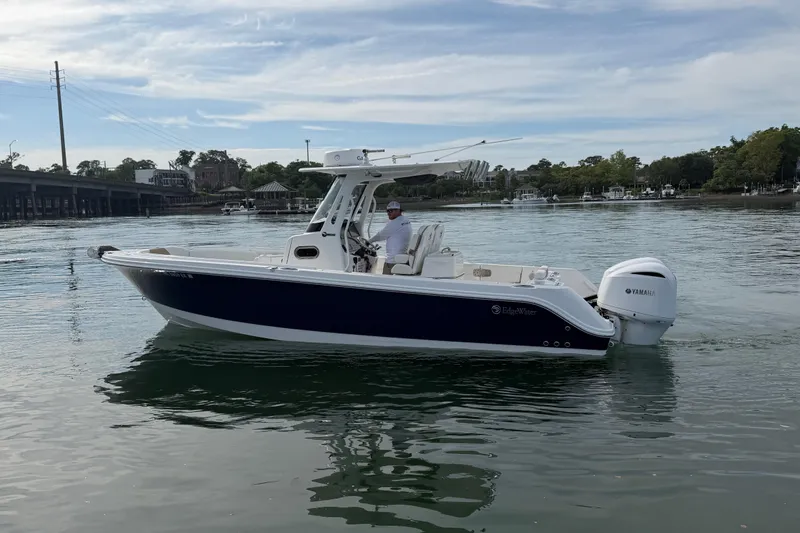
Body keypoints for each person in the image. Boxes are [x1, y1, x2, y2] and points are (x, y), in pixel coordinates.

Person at [369, 201, 412, 274]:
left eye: (391, 211)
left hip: (392, 262)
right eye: (387, 211)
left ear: (398, 211)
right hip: (402, 259)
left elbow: (380, 236)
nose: (388, 213)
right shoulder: (406, 220)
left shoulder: (395, 223)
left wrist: (369, 241)